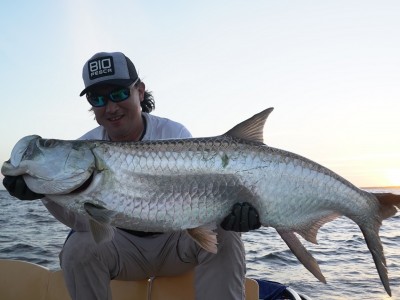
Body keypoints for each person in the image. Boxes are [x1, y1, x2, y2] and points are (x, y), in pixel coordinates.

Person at [3, 51, 261, 300]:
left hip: (177, 244)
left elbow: (201, 204)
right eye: (98, 99)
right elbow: (82, 226)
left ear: (140, 91)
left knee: (227, 235)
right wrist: (44, 193)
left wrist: (234, 215)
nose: (111, 107)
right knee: (77, 249)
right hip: (122, 249)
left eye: (119, 93)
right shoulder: (85, 147)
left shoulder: (174, 133)